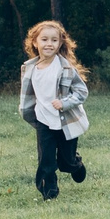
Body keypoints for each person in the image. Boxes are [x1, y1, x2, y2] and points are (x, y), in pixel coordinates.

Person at [18, 20, 90, 200]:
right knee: (46, 161)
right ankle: (49, 192)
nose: (49, 44)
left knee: (66, 162)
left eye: (54, 40)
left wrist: (65, 103)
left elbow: (82, 92)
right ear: (35, 42)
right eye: (44, 40)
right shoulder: (29, 68)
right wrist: (29, 114)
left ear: (60, 44)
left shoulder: (66, 68)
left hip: (65, 122)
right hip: (43, 121)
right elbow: (28, 97)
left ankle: (76, 165)